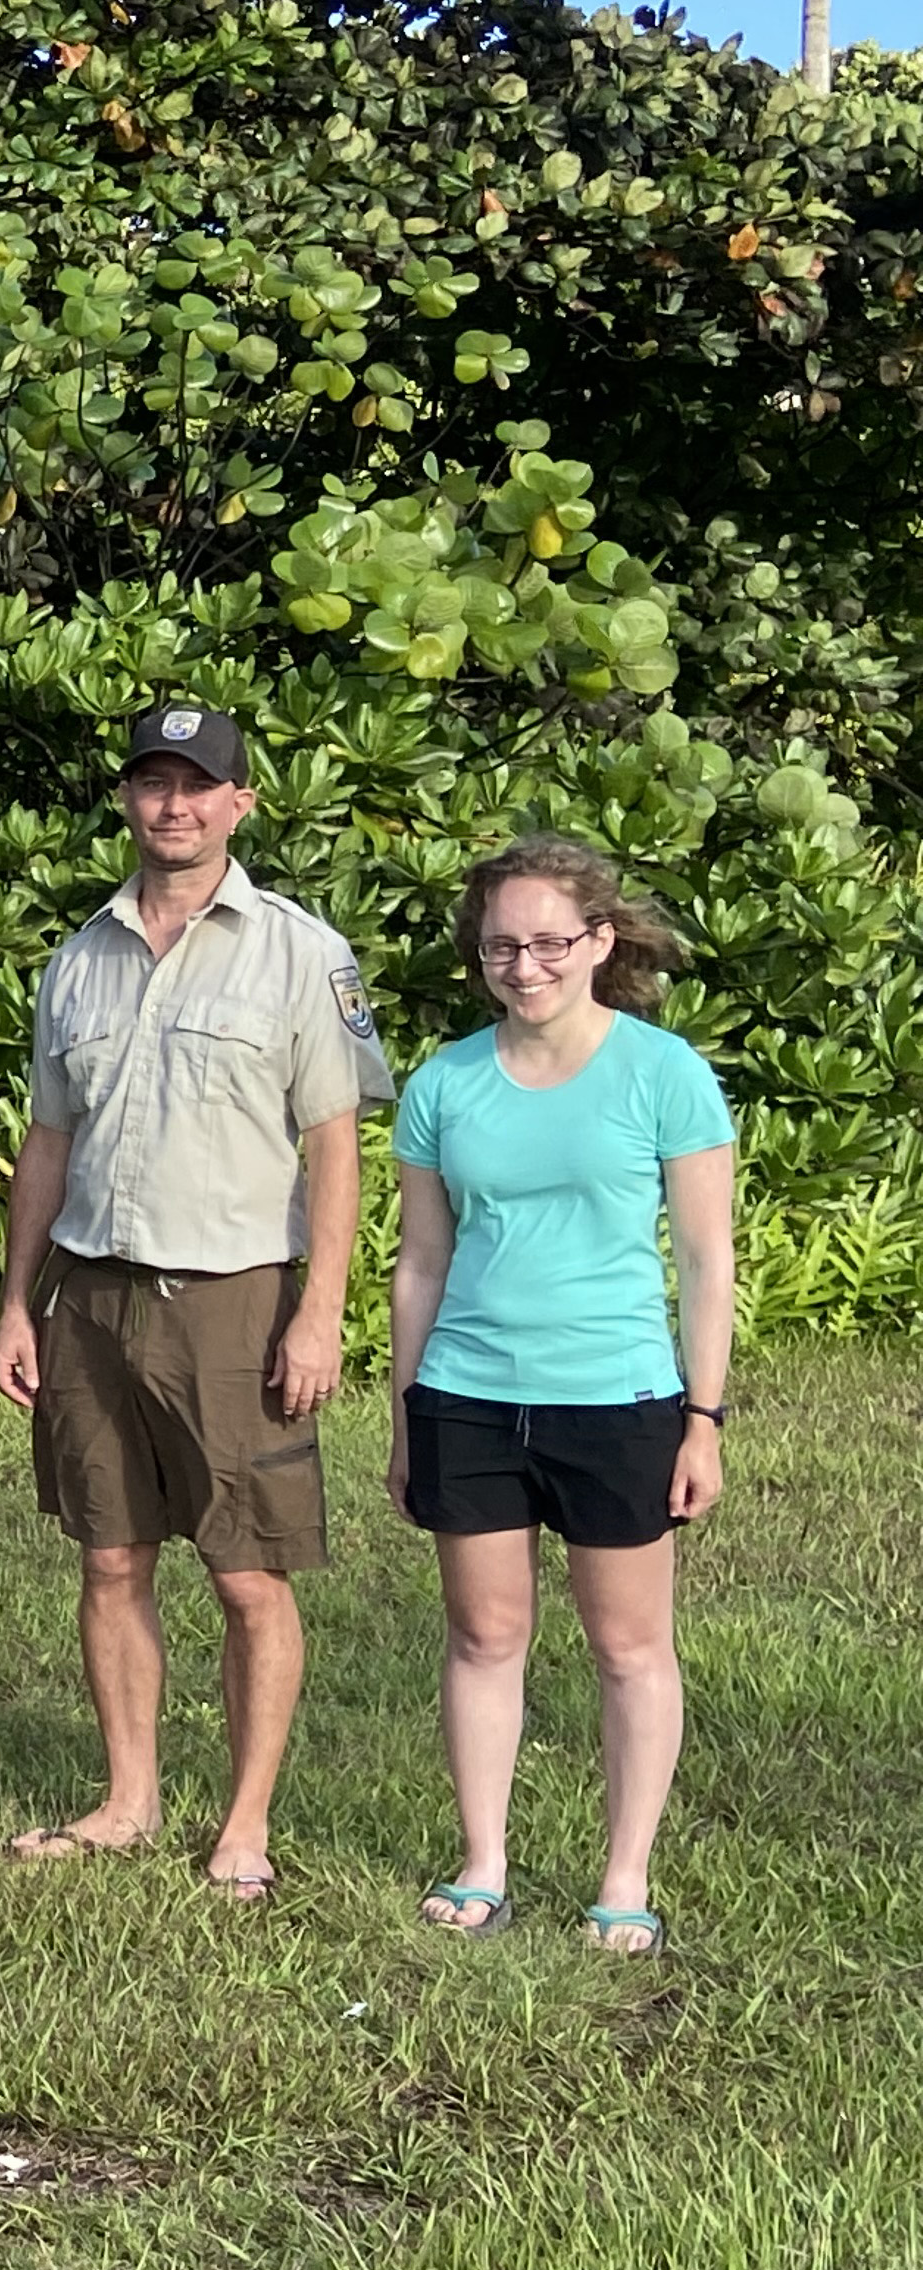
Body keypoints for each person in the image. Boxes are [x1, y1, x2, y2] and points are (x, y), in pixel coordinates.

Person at [0, 707, 391, 1902]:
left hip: (235, 1300)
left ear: (240, 805)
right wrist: (19, 1302)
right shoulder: (81, 955)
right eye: (154, 783)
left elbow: (335, 1151)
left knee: (245, 1574)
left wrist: (320, 1312)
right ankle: (126, 1801)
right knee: (111, 1559)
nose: (175, 806)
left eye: (198, 786)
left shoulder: (299, 954)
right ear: (129, 800)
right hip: (94, 1296)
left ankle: (246, 1824)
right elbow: (46, 1144)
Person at [389, 834, 733, 1956]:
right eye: (500, 945)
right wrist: (405, 1415)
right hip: (468, 1397)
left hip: (620, 1398)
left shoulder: (665, 1073)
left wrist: (703, 1419)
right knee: (485, 1636)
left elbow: (706, 1261)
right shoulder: (444, 1082)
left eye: (547, 941)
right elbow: (422, 1265)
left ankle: (623, 1879)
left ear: (597, 941)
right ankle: (482, 1862)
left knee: (630, 1647)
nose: (524, 965)